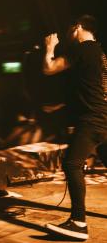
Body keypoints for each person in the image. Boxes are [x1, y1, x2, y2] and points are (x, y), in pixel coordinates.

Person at [43, 15, 107, 240]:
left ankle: (78, 222)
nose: (68, 32)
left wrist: (50, 47)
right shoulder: (100, 53)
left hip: (92, 120)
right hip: (105, 117)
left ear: (78, 27)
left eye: (70, 28)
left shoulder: (82, 49)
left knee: (71, 164)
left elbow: (49, 68)